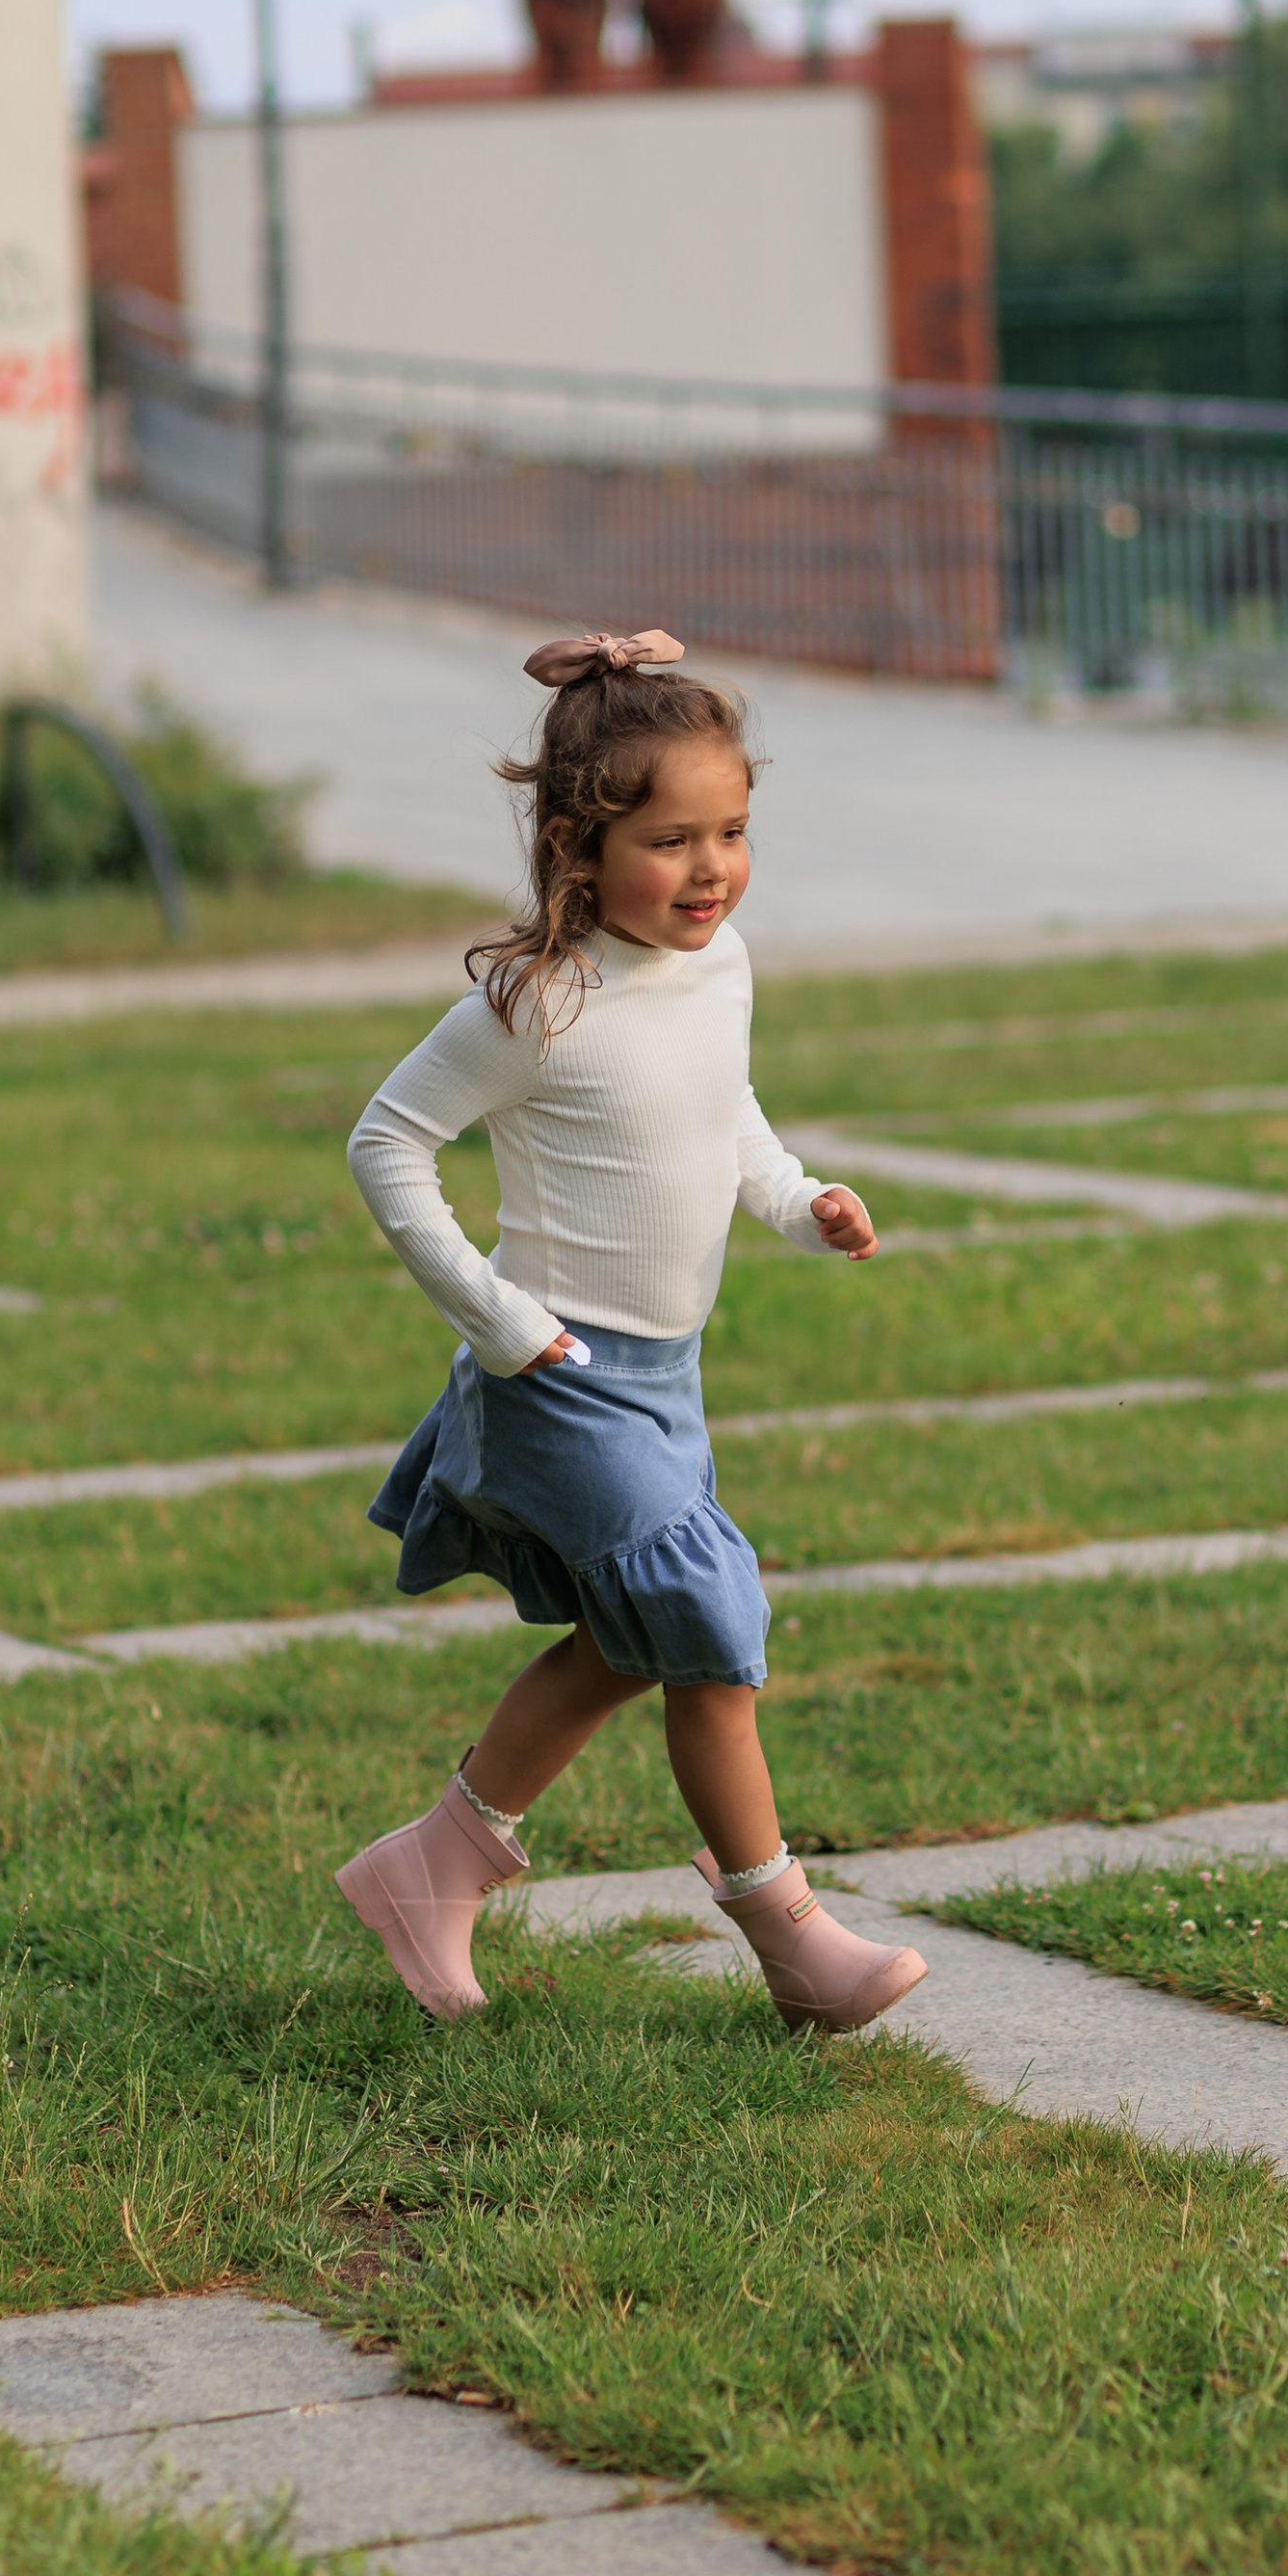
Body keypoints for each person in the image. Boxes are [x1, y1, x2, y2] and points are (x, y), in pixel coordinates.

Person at [335, 625, 928, 2039]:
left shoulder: (718, 971)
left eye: (731, 831)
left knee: (623, 1642)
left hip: (668, 1377)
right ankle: (794, 1939)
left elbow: (724, 1112)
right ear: (578, 848)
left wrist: (798, 1200)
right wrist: (497, 1313)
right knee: (710, 1631)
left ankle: (433, 1865)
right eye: (671, 839)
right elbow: (385, 1142)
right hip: (561, 1375)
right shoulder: (538, 1002)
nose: (711, 867)